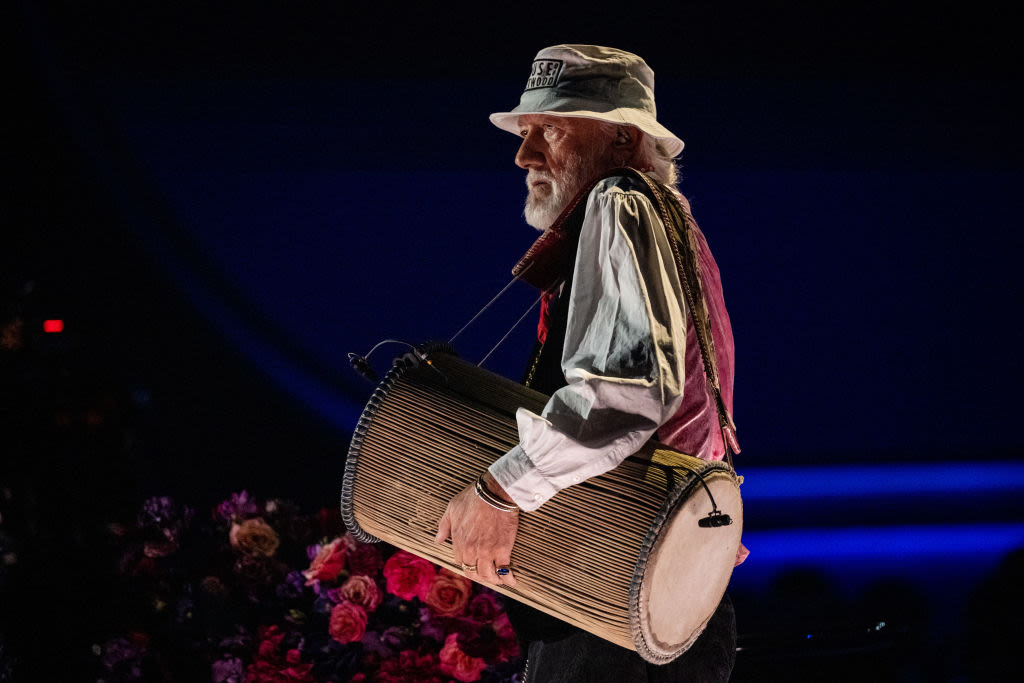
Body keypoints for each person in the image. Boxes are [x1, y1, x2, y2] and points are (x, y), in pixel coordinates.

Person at [435, 44, 746, 682]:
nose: (524, 155)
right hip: (648, 598)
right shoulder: (672, 224)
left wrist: (500, 490)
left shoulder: (620, 201)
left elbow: (625, 392)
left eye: (549, 129)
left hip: (615, 616)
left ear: (625, 141)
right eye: (525, 134)